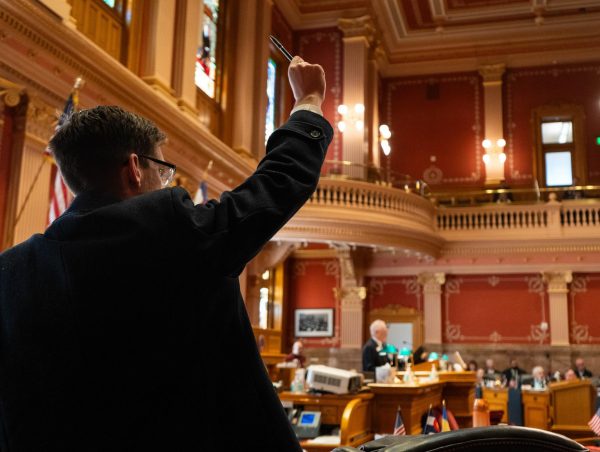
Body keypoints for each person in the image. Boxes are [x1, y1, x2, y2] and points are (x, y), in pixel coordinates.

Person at [0, 57, 332, 451]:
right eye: (164, 170)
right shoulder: (174, 236)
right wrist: (308, 100)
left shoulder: (11, 273)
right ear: (135, 169)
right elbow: (277, 184)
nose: (167, 184)